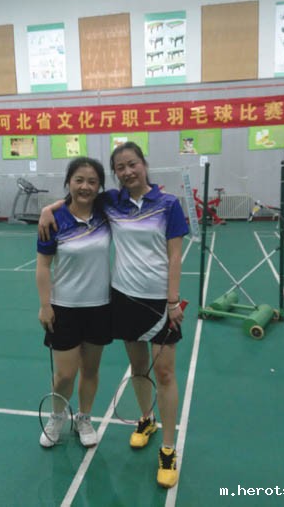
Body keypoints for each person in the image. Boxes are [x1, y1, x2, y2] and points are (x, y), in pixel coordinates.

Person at [39, 142, 189, 488]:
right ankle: (146, 419)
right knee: (139, 369)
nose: (127, 171)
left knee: (165, 373)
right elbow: (79, 196)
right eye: (120, 167)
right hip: (123, 298)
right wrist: (49, 207)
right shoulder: (112, 201)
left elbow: (175, 256)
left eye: (132, 164)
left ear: (144, 164)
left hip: (160, 302)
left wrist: (172, 301)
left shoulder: (168, 205)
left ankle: (168, 449)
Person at [36, 156, 112, 449]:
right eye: (79, 180)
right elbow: (43, 266)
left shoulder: (105, 212)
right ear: (68, 182)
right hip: (64, 307)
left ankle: (84, 418)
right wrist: (45, 305)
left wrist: (49, 206)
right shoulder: (54, 220)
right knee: (65, 374)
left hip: (99, 305)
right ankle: (57, 416)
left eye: (92, 181)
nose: (85, 186)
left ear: (99, 186)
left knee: (90, 371)